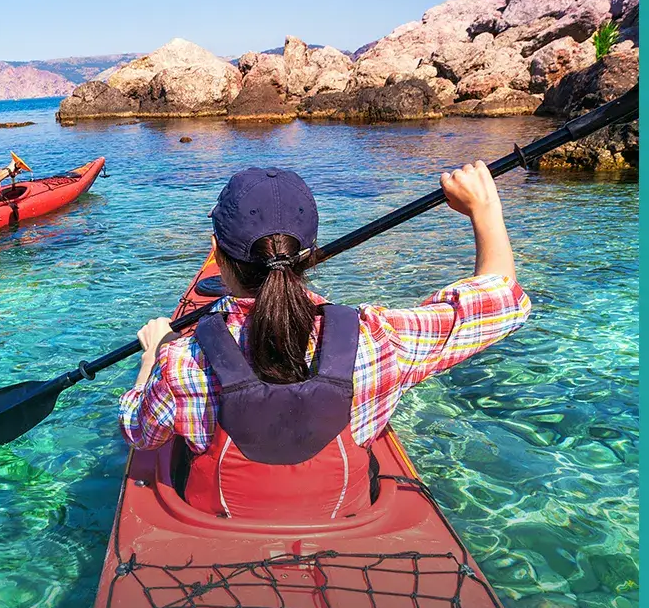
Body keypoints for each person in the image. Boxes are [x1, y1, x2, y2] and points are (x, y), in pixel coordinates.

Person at [120, 162, 531, 521]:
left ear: (217, 253)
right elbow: (503, 302)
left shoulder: (180, 363)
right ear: (311, 254)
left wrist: (151, 359)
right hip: (344, 521)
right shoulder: (377, 341)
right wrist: (484, 209)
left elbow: (139, 432)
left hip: (219, 524)